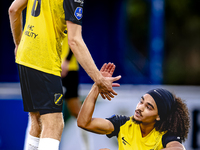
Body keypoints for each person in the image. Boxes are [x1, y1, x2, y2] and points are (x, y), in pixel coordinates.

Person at [8, 0, 121, 149]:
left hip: (26, 55)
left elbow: (14, 9)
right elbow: (74, 40)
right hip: (45, 61)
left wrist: (18, 43)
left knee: (37, 119)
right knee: (54, 123)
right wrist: (99, 79)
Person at [77, 63, 190, 150]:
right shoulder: (122, 124)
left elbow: (178, 148)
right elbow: (84, 122)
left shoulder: (165, 135)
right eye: (141, 102)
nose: (140, 108)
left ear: (158, 116)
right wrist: (97, 86)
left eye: (148, 107)